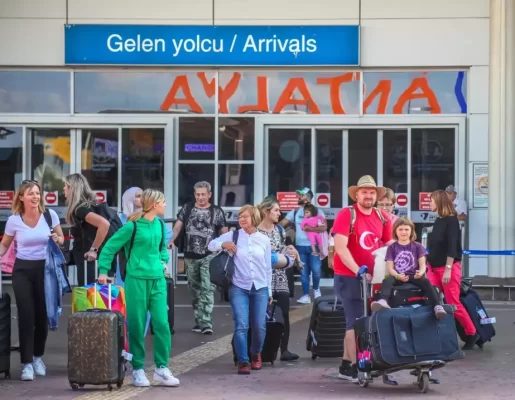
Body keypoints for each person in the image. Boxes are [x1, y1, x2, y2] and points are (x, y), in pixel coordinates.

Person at [97, 189, 179, 387]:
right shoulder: (131, 227)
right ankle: (138, 369)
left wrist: (163, 262)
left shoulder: (160, 225)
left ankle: (161, 368)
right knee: (136, 325)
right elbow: (109, 247)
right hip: (136, 281)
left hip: (158, 281)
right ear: (154, 204)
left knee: (162, 324)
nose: (165, 205)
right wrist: (103, 271)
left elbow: (162, 249)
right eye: (163, 202)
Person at [0, 180, 64, 381]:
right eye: (31, 193)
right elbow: (5, 245)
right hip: (22, 270)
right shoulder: (14, 220)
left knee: (42, 315)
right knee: (26, 315)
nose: (35, 197)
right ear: (21, 197)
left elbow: (61, 238)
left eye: (37, 193)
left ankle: (38, 357)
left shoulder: (50, 215)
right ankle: (26, 363)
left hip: (46, 271)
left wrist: (57, 239)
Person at [332, 175, 393, 382]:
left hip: (373, 278)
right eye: (364, 192)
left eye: (372, 192)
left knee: (361, 321)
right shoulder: (346, 214)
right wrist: (358, 270)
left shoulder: (383, 216)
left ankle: (346, 365)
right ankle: (358, 366)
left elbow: (389, 245)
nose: (368, 195)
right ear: (356, 195)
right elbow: (341, 248)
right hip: (348, 276)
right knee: (356, 322)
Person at [208, 205, 272, 375]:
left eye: (245, 216)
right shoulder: (233, 235)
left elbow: (267, 268)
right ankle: (243, 360)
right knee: (241, 325)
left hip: (260, 287)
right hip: (238, 287)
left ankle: (256, 353)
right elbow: (211, 245)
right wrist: (224, 244)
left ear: (254, 218)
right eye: (240, 216)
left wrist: (269, 291)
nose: (241, 219)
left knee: (259, 326)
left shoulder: (264, 240)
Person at [169, 181, 227, 335]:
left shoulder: (217, 211)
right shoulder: (187, 208)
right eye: (198, 194)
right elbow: (177, 226)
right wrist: (171, 240)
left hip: (210, 255)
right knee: (194, 290)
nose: (200, 197)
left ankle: (206, 322)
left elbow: (224, 231)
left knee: (207, 288)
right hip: (190, 256)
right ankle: (199, 320)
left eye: (203, 194)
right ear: (194, 195)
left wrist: (226, 246)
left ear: (209, 194)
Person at [426, 190, 478, 350]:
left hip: (447, 267)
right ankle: (435, 335)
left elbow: (452, 247)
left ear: (439, 201)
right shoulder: (439, 220)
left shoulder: (451, 221)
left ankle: (471, 332)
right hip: (433, 268)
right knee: (432, 300)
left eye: (431, 201)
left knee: (452, 302)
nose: (429, 204)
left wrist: (448, 269)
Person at [370, 217, 447, 319]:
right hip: (398, 276)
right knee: (387, 280)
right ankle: (383, 301)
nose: (403, 232)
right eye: (400, 229)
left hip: (414, 275)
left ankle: (437, 306)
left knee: (426, 282)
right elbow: (390, 268)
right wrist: (397, 275)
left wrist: (420, 273)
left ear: (411, 231)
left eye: (406, 229)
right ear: (395, 231)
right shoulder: (391, 248)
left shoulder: (418, 246)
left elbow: (423, 265)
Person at [257, 197, 300, 362]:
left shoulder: (280, 230)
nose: (279, 213)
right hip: (262, 279)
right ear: (266, 212)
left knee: (284, 314)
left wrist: (291, 251)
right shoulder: (256, 232)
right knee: (260, 315)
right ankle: (261, 350)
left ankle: (284, 349)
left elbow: (284, 248)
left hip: (281, 278)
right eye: (276, 210)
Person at [279, 187, 326, 304]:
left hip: (314, 246)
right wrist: (271, 227)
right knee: (303, 272)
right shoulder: (295, 212)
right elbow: (283, 223)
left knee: (316, 270)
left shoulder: (318, 211)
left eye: (301, 195)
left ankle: (316, 290)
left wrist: (311, 228)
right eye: (298, 195)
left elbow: (324, 227)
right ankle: (306, 295)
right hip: (300, 247)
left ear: (309, 197)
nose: (299, 197)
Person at [64, 173, 110, 286]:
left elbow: (104, 224)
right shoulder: (88, 205)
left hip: (88, 261)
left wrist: (93, 250)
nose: (64, 189)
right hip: (90, 259)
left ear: (72, 188)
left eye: (65, 186)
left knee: (89, 293)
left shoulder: (81, 209)